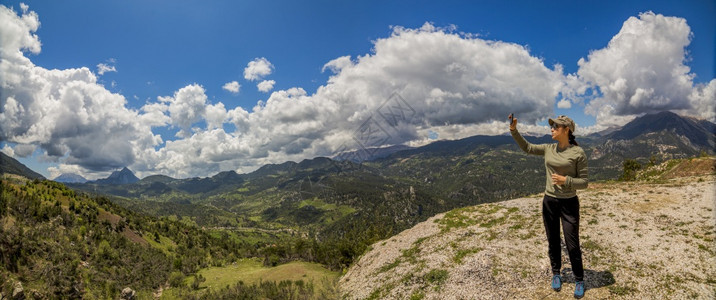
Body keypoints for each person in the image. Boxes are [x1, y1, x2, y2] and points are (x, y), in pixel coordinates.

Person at [509, 115, 588, 299]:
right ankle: (556, 273)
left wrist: (565, 180)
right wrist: (514, 131)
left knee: (572, 243)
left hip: (569, 202)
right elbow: (527, 148)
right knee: (552, 240)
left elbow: (584, 182)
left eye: (555, 126)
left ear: (566, 129)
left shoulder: (578, 153)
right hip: (550, 201)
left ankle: (579, 279)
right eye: (551, 126)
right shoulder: (549, 148)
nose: (551, 129)